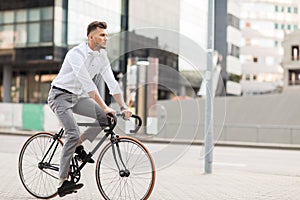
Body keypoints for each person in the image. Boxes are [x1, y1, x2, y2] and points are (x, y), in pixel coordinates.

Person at [47, 21, 132, 197]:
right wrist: (105, 106)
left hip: (77, 97)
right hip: (60, 96)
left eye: (107, 35)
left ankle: (78, 145)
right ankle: (62, 182)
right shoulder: (76, 54)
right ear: (91, 37)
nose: (106, 38)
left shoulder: (102, 56)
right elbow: (88, 84)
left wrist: (123, 106)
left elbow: (112, 83)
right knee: (72, 132)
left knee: (104, 118)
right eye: (102, 35)